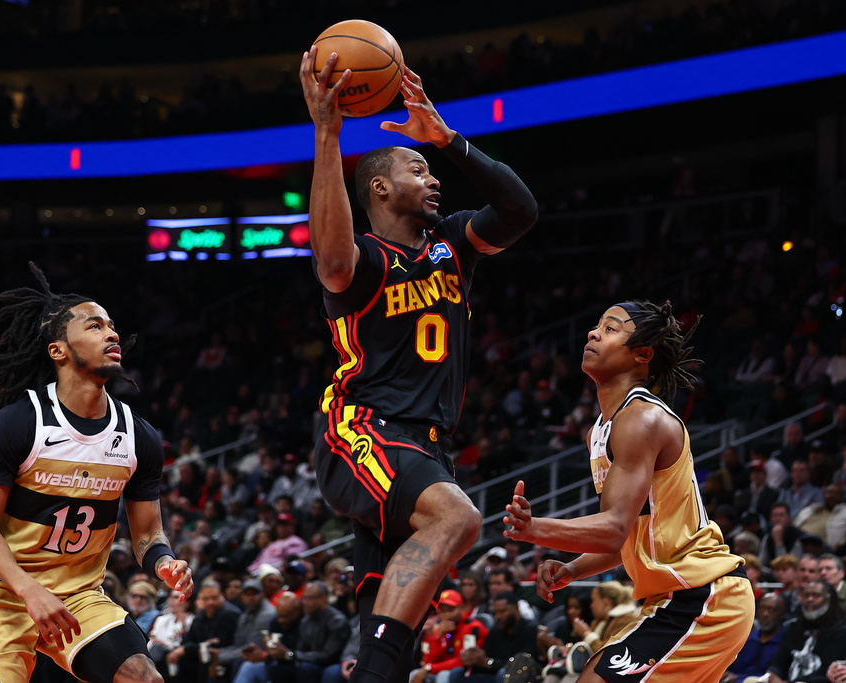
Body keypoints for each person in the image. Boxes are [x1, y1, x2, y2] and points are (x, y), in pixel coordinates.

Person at [299, 37, 537, 683]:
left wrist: (447, 138)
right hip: (362, 427)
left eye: (431, 172)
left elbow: (521, 209)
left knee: (387, 611)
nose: (431, 179)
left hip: (427, 443)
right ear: (379, 185)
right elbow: (329, 254)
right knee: (458, 516)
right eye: (416, 169)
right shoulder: (366, 260)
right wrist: (328, 134)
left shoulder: (452, 242)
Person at [0, 263, 194, 683]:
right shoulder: (21, 422)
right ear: (58, 351)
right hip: (6, 594)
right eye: (94, 326)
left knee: (143, 677)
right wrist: (29, 589)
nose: (112, 334)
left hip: (79, 595)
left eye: (112, 326)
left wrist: (164, 562)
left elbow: (146, 534)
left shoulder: (137, 436)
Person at [503, 300, 755, 682]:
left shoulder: (641, 419)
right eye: (596, 326)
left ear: (642, 354)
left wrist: (533, 528)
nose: (593, 333)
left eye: (610, 328)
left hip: (702, 594)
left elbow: (613, 527)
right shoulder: (600, 431)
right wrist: (572, 569)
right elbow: (628, 537)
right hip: (673, 598)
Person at [766, 580, 846, 683]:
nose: (810, 599)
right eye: (806, 595)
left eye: (816, 596)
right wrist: (772, 675)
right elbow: (779, 663)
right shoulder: (792, 628)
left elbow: (828, 672)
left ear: (829, 599)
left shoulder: (842, 631)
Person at [721, 592, 786, 683]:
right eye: (762, 608)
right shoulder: (747, 638)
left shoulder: (785, 641)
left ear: (781, 614)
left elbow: (774, 676)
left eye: (771, 610)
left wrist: (739, 678)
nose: (765, 614)